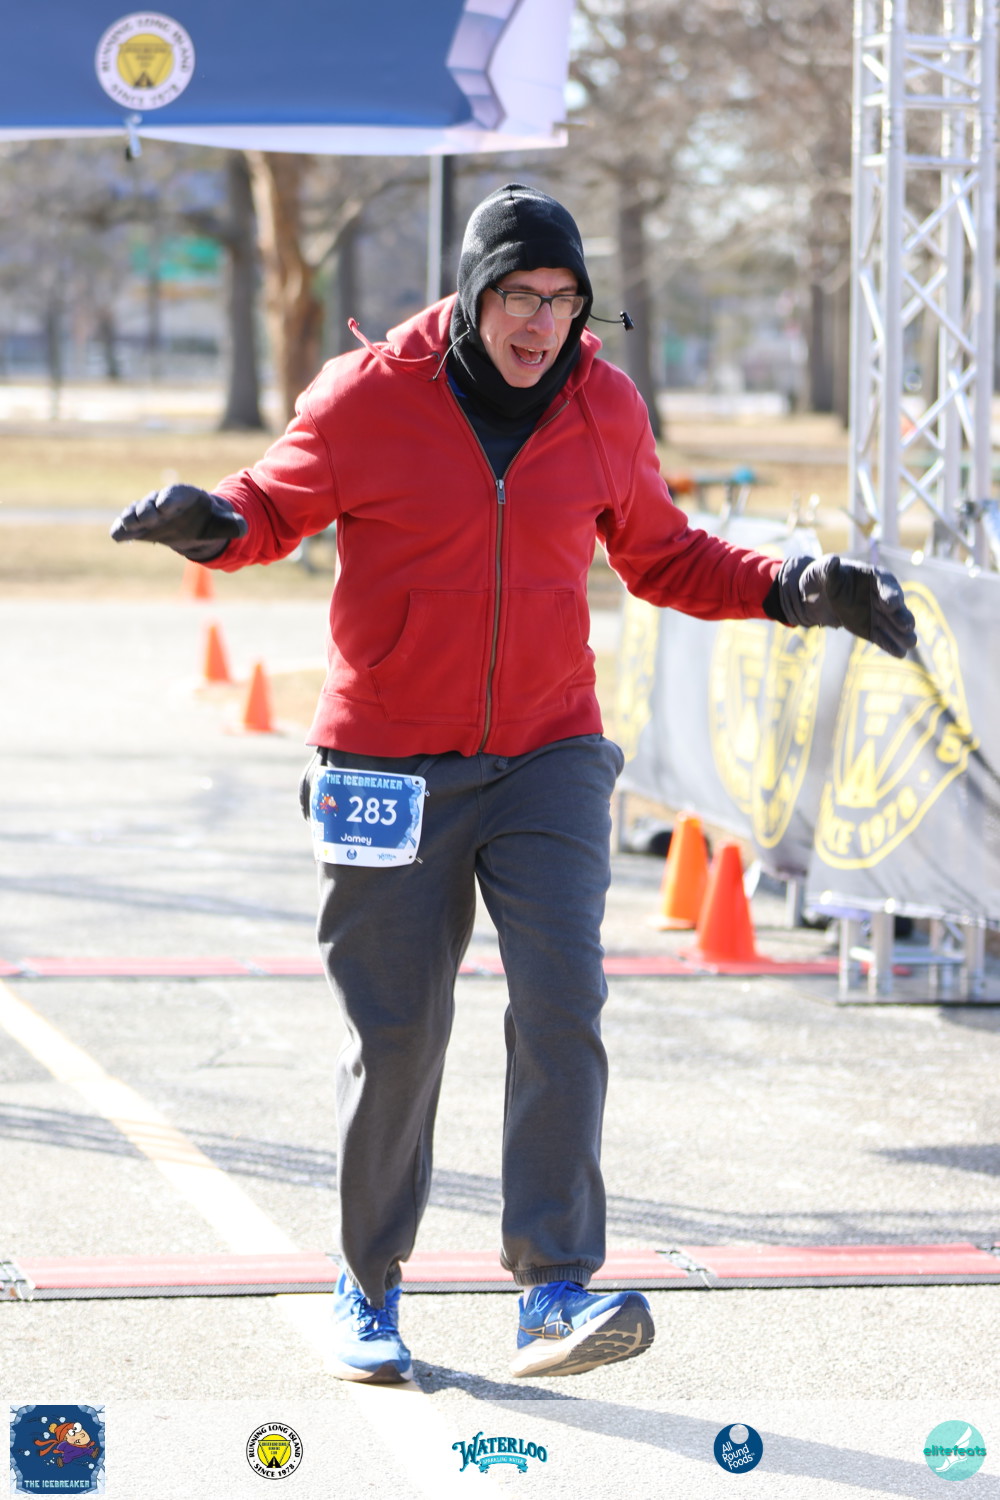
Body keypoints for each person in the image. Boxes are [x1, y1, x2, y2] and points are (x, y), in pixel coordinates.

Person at [111, 182, 917, 1383]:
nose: (542, 323)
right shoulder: (367, 395)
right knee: (398, 1034)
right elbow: (272, 506)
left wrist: (796, 588)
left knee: (560, 1005)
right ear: (473, 293)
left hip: (548, 751)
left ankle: (553, 1290)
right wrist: (209, 522)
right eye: (520, 297)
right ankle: (367, 1283)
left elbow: (663, 553)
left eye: (564, 300)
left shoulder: (603, 404)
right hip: (386, 758)